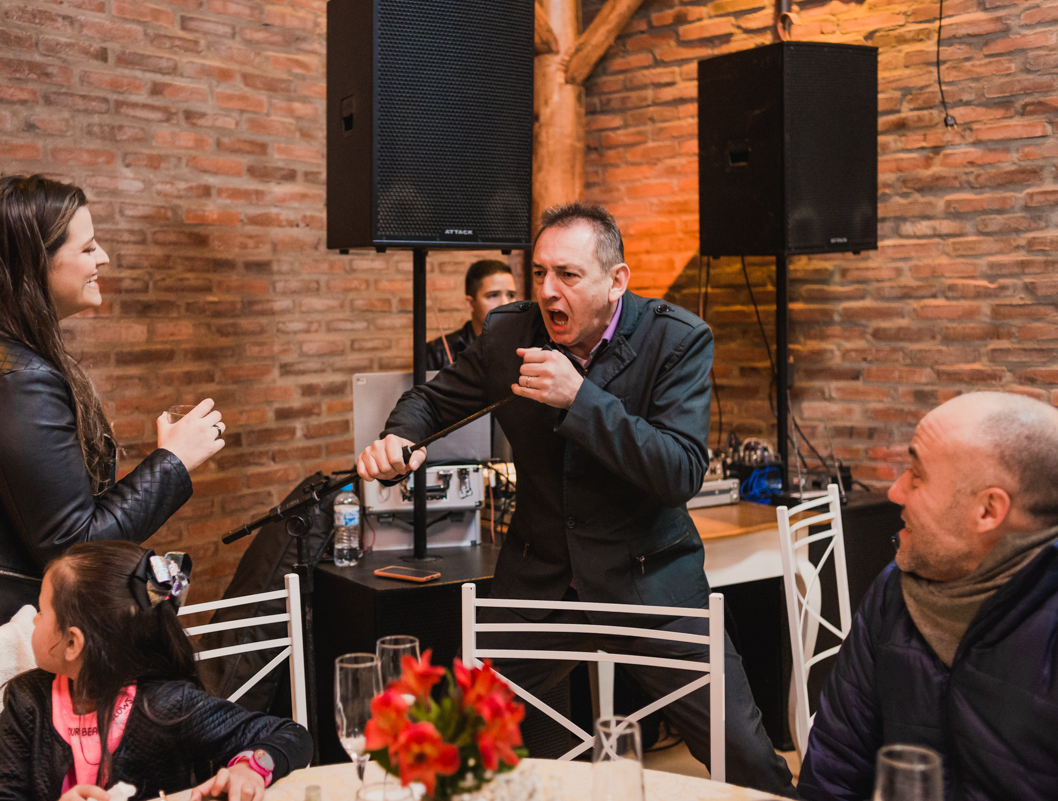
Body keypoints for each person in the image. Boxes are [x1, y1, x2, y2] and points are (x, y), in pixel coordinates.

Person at [357, 202, 795, 797]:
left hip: (649, 581)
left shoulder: (677, 339)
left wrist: (581, 398)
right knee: (456, 739)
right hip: (539, 582)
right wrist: (399, 436)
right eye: (540, 273)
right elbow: (432, 400)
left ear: (616, 281)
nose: (547, 291)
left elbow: (680, 473)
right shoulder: (510, 334)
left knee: (745, 756)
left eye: (568, 274)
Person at [0, 175, 225, 660]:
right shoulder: (16, 380)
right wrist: (173, 461)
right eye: (88, 248)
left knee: (162, 584)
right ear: (35, 263)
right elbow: (73, 545)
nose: (103, 259)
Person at [798, 392, 1058, 801]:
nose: (895, 491)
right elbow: (834, 768)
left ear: (988, 510)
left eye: (917, 476)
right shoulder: (893, 592)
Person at [0, 540, 313, 801]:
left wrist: (251, 768)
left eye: (43, 610)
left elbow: (290, 735)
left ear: (73, 643)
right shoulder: (29, 701)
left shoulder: (166, 705)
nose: (34, 619)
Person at [425, 259, 517, 370]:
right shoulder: (439, 352)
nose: (505, 303)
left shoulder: (525, 345)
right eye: (493, 295)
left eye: (511, 295)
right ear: (470, 302)